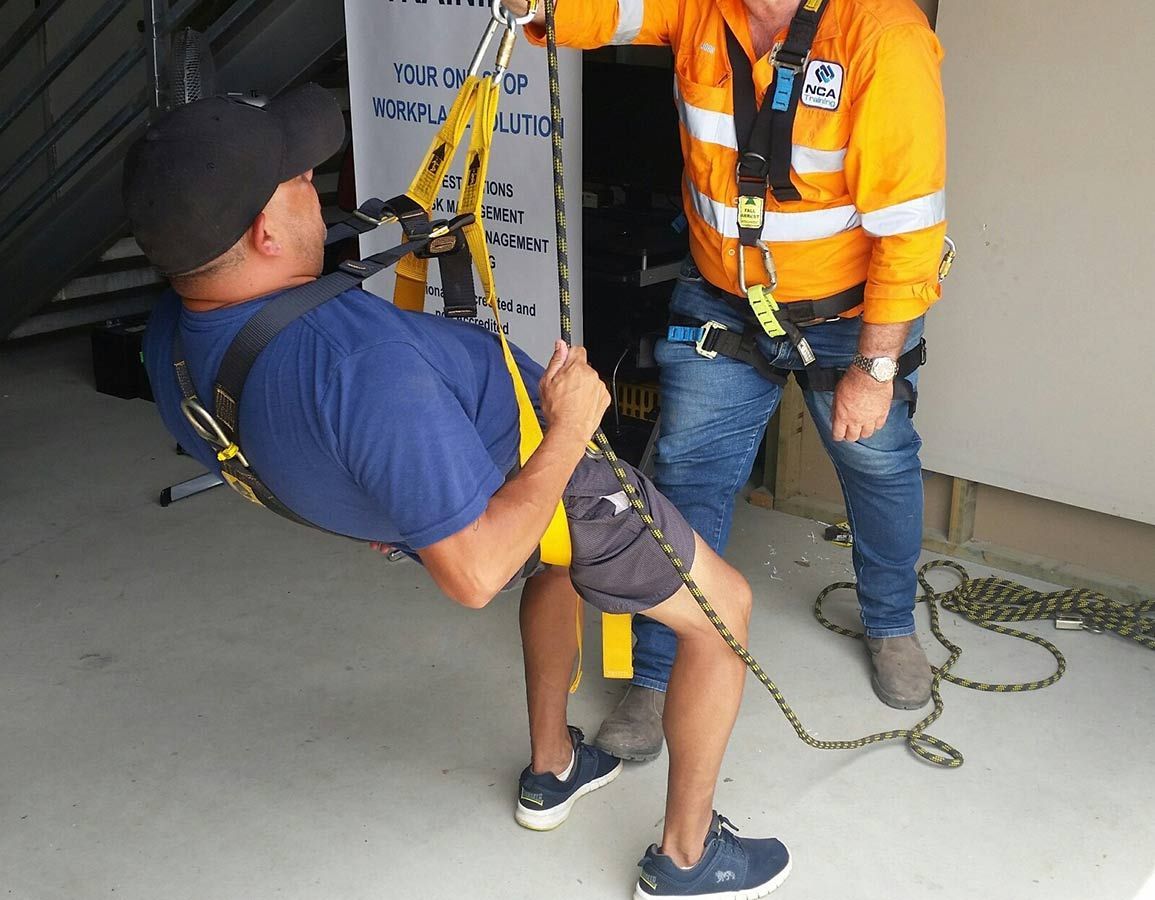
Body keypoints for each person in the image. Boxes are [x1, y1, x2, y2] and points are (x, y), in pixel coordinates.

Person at [125, 86, 793, 899]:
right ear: (265, 233)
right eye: (299, 181)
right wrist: (570, 429)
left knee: (551, 568)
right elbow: (476, 572)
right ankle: (689, 857)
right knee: (724, 615)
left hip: (427, 491)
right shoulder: (358, 371)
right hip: (523, 478)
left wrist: (393, 498)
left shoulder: (175, 336)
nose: (315, 184)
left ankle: (553, 767)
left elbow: (338, 447)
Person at [505, 0, 948, 761]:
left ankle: (890, 624)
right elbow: (593, 11)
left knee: (876, 463)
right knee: (686, 478)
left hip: (845, 312)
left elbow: (909, 231)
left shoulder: (885, 38)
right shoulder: (696, 6)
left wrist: (874, 371)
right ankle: (657, 670)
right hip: (723, 296)